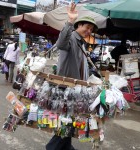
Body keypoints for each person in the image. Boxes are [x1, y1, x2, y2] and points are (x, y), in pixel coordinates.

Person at [46, 2, 98, 150]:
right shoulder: (71, 38)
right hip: (66, 89)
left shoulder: (81, 43)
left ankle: (67, 147)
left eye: (91, 29)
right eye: (87, 27)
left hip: (76, 89)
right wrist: (70, 21)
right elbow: (61, 43)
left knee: (70, 119)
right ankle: (52, 147)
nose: (89, 31)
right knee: (67, 121)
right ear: (78, 25)